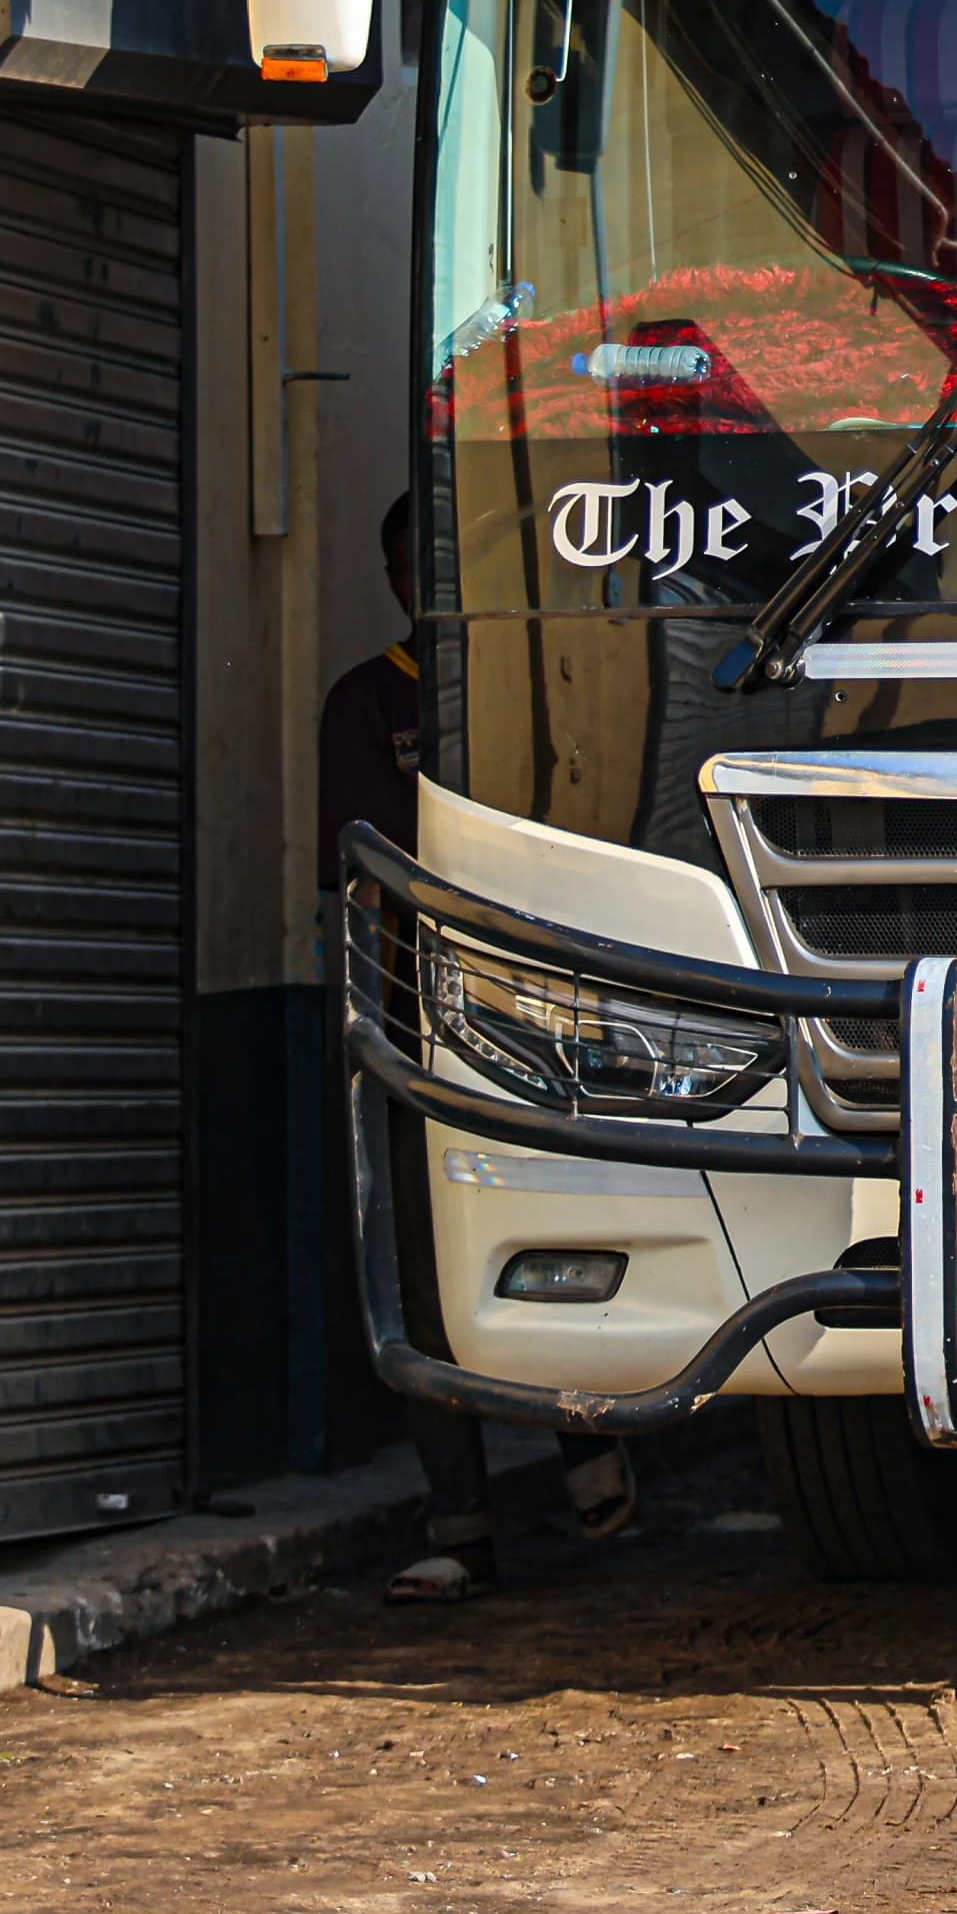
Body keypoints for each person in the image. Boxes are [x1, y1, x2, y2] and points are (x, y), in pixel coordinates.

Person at [321, 490, 638, 1602]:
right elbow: (366, 873)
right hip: (416, 1030)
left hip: (543, 1027)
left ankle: (588, 1445)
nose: (433, 587)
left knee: (559, 1240)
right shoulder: (366, 705)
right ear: (400, 582)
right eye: (418, 569)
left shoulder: (550, 685)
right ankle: (460, 1518)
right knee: (424, 1271)